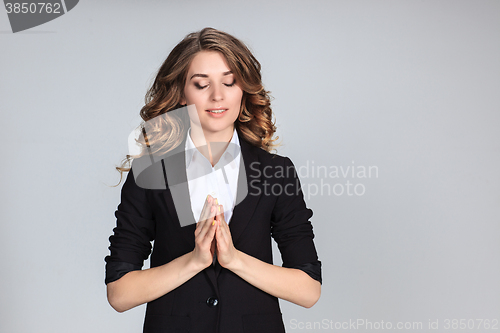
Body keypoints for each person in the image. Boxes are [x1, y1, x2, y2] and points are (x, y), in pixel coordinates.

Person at [105, 27, 321, 333]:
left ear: (243, 89)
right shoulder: (150, 173)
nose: (217, 95)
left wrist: (234, 259)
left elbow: (309, 290)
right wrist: (194, 261)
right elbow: (119, 293)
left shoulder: (276, 172)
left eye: (229, 82)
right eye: (201, 84)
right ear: (181, 92)